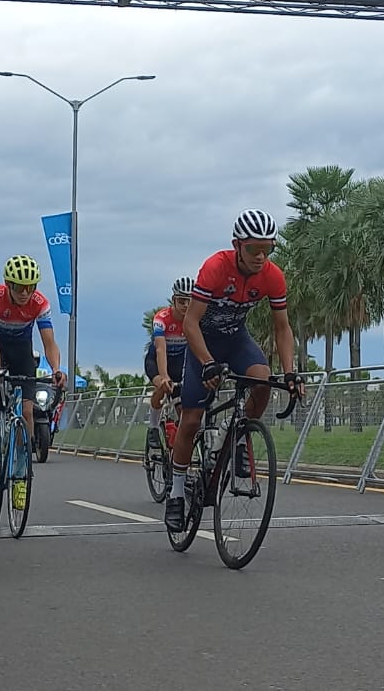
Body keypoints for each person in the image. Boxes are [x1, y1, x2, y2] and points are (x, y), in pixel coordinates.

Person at [165, 209, 303, 532]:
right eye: (254, 249)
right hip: (203, 341)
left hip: (236, 340)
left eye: (267, 249)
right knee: (191, 420)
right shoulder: (215, 268)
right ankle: (175, 494)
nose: (260, 256)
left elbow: (282, 328)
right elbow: (190, 323)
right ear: (237, 245)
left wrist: (290, 371)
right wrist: (208, 362)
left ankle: (237, 436)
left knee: (264, 381)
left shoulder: (272, 275)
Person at [0, 254, 65, 509]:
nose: (25, 293)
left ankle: (21, 476)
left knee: (27, 411)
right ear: (7, 284)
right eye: (19, 287)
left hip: (22, 353)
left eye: (31, 287)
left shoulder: (39, 303)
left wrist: (57, 369)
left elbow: (49, 342)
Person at [143, 277, 192, 453]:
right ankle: (153, 427)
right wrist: (164, 377)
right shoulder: (161, 318)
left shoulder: (194, 320)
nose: (186, 305)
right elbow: (160, 349)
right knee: (163, 387)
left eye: (189, 301)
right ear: (174, 300)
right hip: (156, 361)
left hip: (179, 363)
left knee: (184, 410)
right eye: (181, 301)